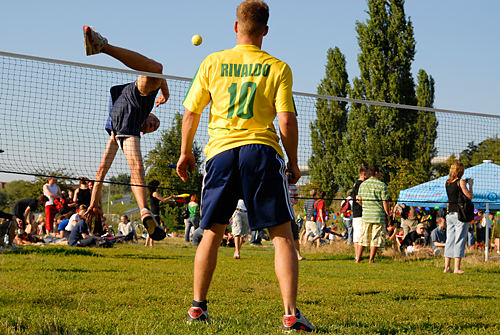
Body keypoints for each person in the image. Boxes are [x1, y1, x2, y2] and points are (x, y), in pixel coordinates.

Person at [176, 1, 315, 331]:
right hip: (261, 151)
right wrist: (293, 162)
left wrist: (185, 152)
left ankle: (198, 308)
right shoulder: (278, 67)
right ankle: (291, 313)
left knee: (211, 230)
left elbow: (191, 113)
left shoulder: (212, 61)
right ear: (265, 31)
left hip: (221, 152)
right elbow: (287, 120)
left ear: (236, 27)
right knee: (282, 233)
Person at [82, 25, 169, 241]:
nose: (153, 124)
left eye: (151, 128)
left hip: (125, 116)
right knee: (156, 69)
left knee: (137, 167)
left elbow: (101, 171)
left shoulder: (128, 126)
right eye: (154, 124)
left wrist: (94, 201)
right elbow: (159, 75)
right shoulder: (149, 97)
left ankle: (144, 211)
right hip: (130, 101)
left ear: (143, 128)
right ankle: (144, 210)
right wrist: (165, 94)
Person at [356, 165, 390, 263]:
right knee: (375, 238)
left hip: (366, 215)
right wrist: (388, 214)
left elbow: (358, 200)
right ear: (376, 173)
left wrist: (365, 205)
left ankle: (358, 259)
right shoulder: (382, 185)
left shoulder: (363, 185)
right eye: (379, 171)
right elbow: (385, 201)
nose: (381, 173)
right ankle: (371, 260)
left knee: (363, 238)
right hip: (378, 216)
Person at [444, 161, 473, 274]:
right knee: (459, 240)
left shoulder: (447, 182)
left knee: (449, 240)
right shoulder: (460, 182)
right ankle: (457, 268)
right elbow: (469, 196)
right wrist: (470, 185)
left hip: (449, 214)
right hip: (459, 214)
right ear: (460, 170)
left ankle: (447, 267)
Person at [286, 171, 305, 260]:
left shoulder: (293, 187)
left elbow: (296, 200)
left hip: (290, 212)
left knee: (295, 234)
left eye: (288, 174)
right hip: (281, 213)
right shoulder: (278, 186)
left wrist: (292, 202)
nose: (287, 175)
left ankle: (298, 255)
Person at [351, 164, 367, 261]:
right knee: (359, 236)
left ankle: (358, 256)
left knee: (357, 236)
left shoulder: (356, 183)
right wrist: (366, 206)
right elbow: (358, 199)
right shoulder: (360, 184)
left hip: (356, 214)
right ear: (364, 174)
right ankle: (358, 256)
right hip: (360, 213)